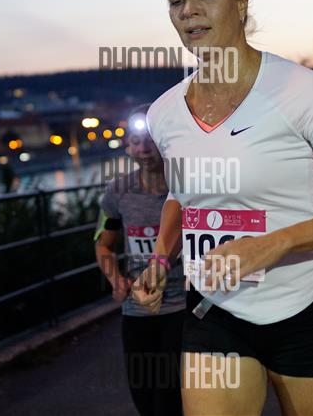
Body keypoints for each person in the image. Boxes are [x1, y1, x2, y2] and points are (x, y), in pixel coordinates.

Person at [131, 0, 313, 416]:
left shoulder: (303, 91)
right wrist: (160, 258)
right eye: (176, 0)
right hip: (215, 310)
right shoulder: (164, 112)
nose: (189, 11)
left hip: (305, 305)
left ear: (241, 2)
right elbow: (182, 196)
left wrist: (274, 244)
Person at [94, 104, 185, 416]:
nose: (144, 149)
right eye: (136, 142)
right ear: (128, 147)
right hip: (136, 308)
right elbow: (103, 244)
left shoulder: (186, 187)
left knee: (168, 397)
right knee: (143, 396)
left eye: (150, 141)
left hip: (182, 306)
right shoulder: (118, 191)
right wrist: (115, 279)